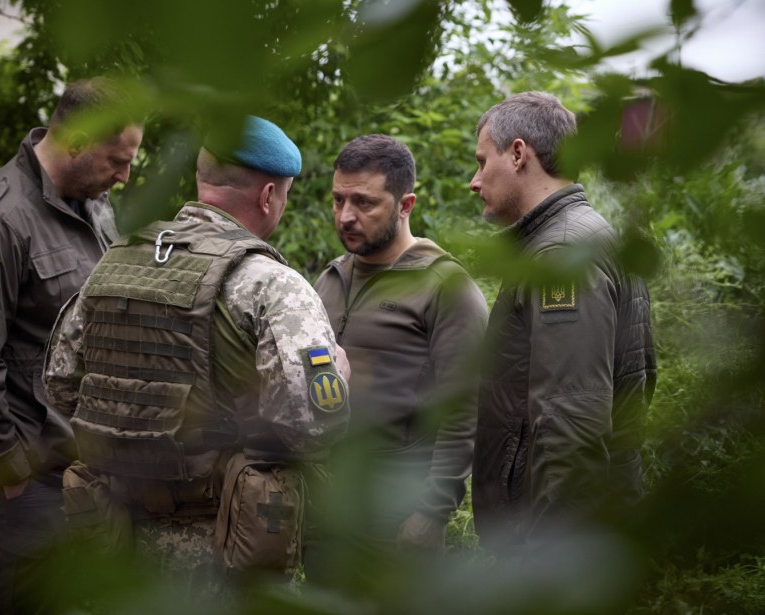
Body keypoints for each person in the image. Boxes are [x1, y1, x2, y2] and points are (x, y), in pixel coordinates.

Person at [43, 115, 349, 592]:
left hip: (117, 542)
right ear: (269, 196)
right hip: (223, 550)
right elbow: (312, 422)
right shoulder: (271, 284)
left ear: (202, 181)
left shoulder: (115, 262)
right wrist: (340, 376)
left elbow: (61, 386)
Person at [0, 77, 143, 614]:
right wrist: (8, 467)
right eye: (116, 161)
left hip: (92, 468)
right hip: (33, 482)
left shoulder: (91, 204)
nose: (123, 176)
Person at [469, 91, 656, 555]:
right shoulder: (579, 238)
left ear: (517, 154)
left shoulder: (562, 254)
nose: (474, 181)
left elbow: (570, 423)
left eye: (481, 161)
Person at [311, 135, 488, 567]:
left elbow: (466, 408)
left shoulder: (444, 285)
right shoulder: (330, 280)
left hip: (397, 508)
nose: (346, 216)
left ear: (405, 205)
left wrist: (432, 512)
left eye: (364, 203)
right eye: (338, 200)